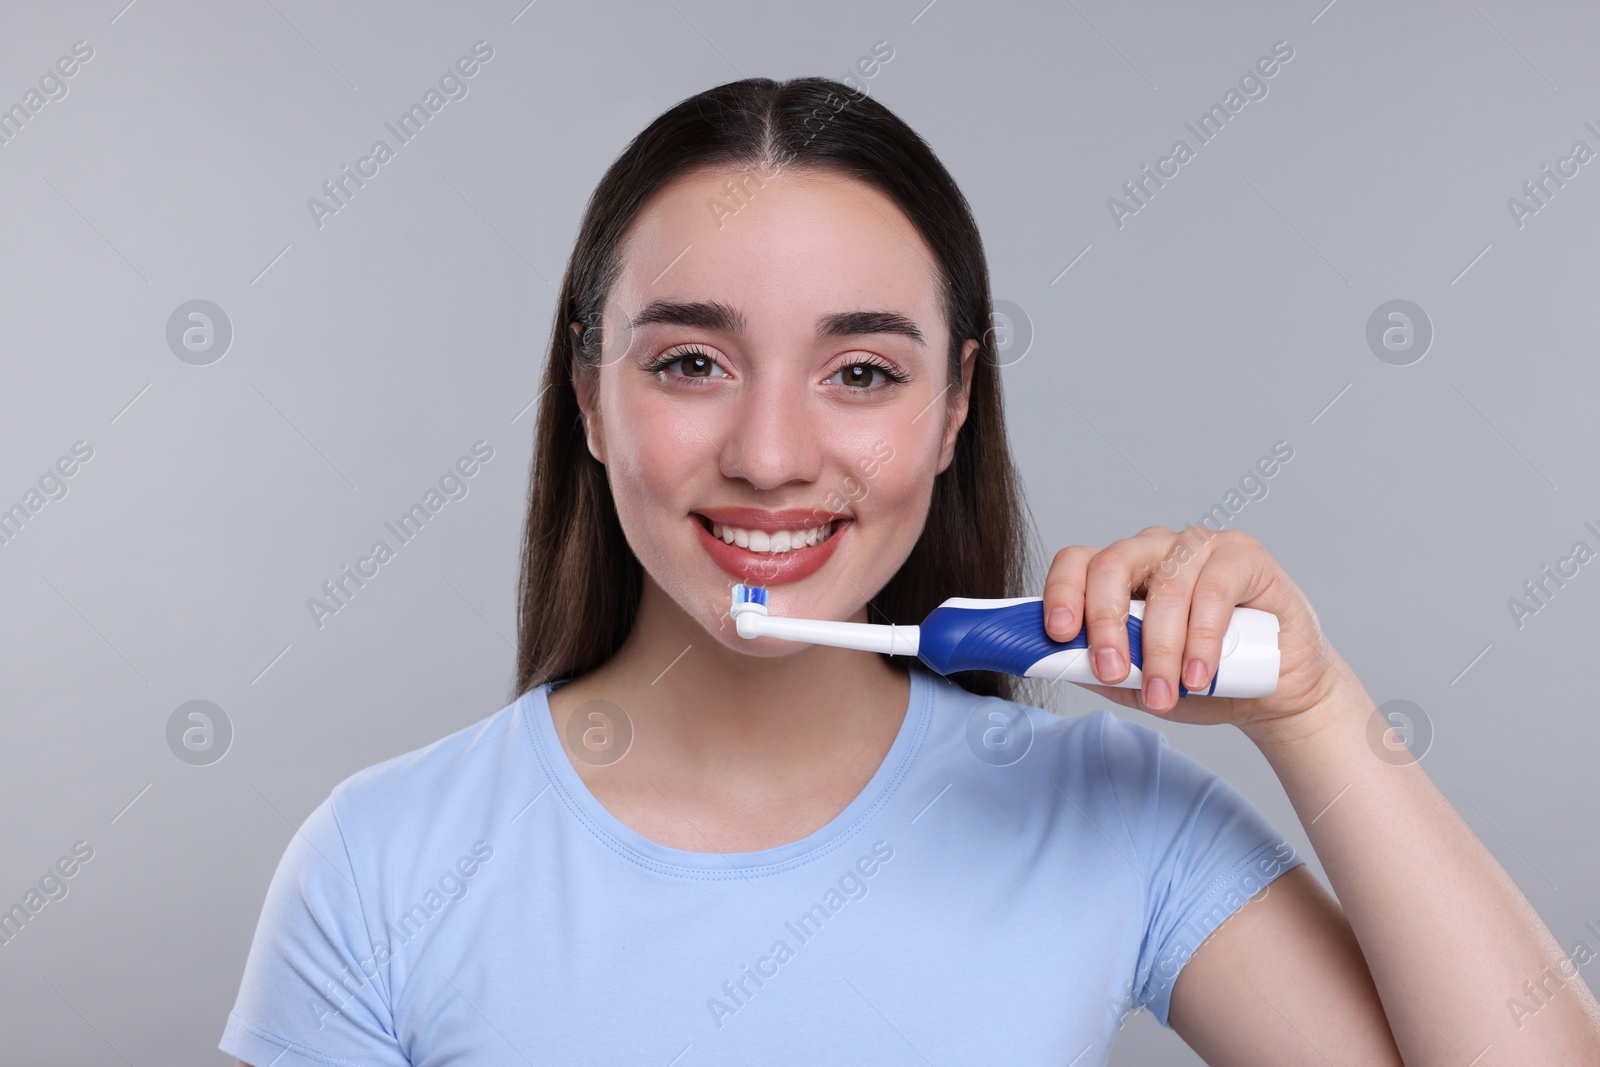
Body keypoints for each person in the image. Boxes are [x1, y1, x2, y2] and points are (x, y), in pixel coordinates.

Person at [221, 76, 1600, 1066]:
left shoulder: (1102, 814)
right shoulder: (383, 867)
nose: (770, 454)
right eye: (690, 362)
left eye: (862, 372)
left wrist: (1313, 710)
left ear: (952, 412)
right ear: (588, 396)